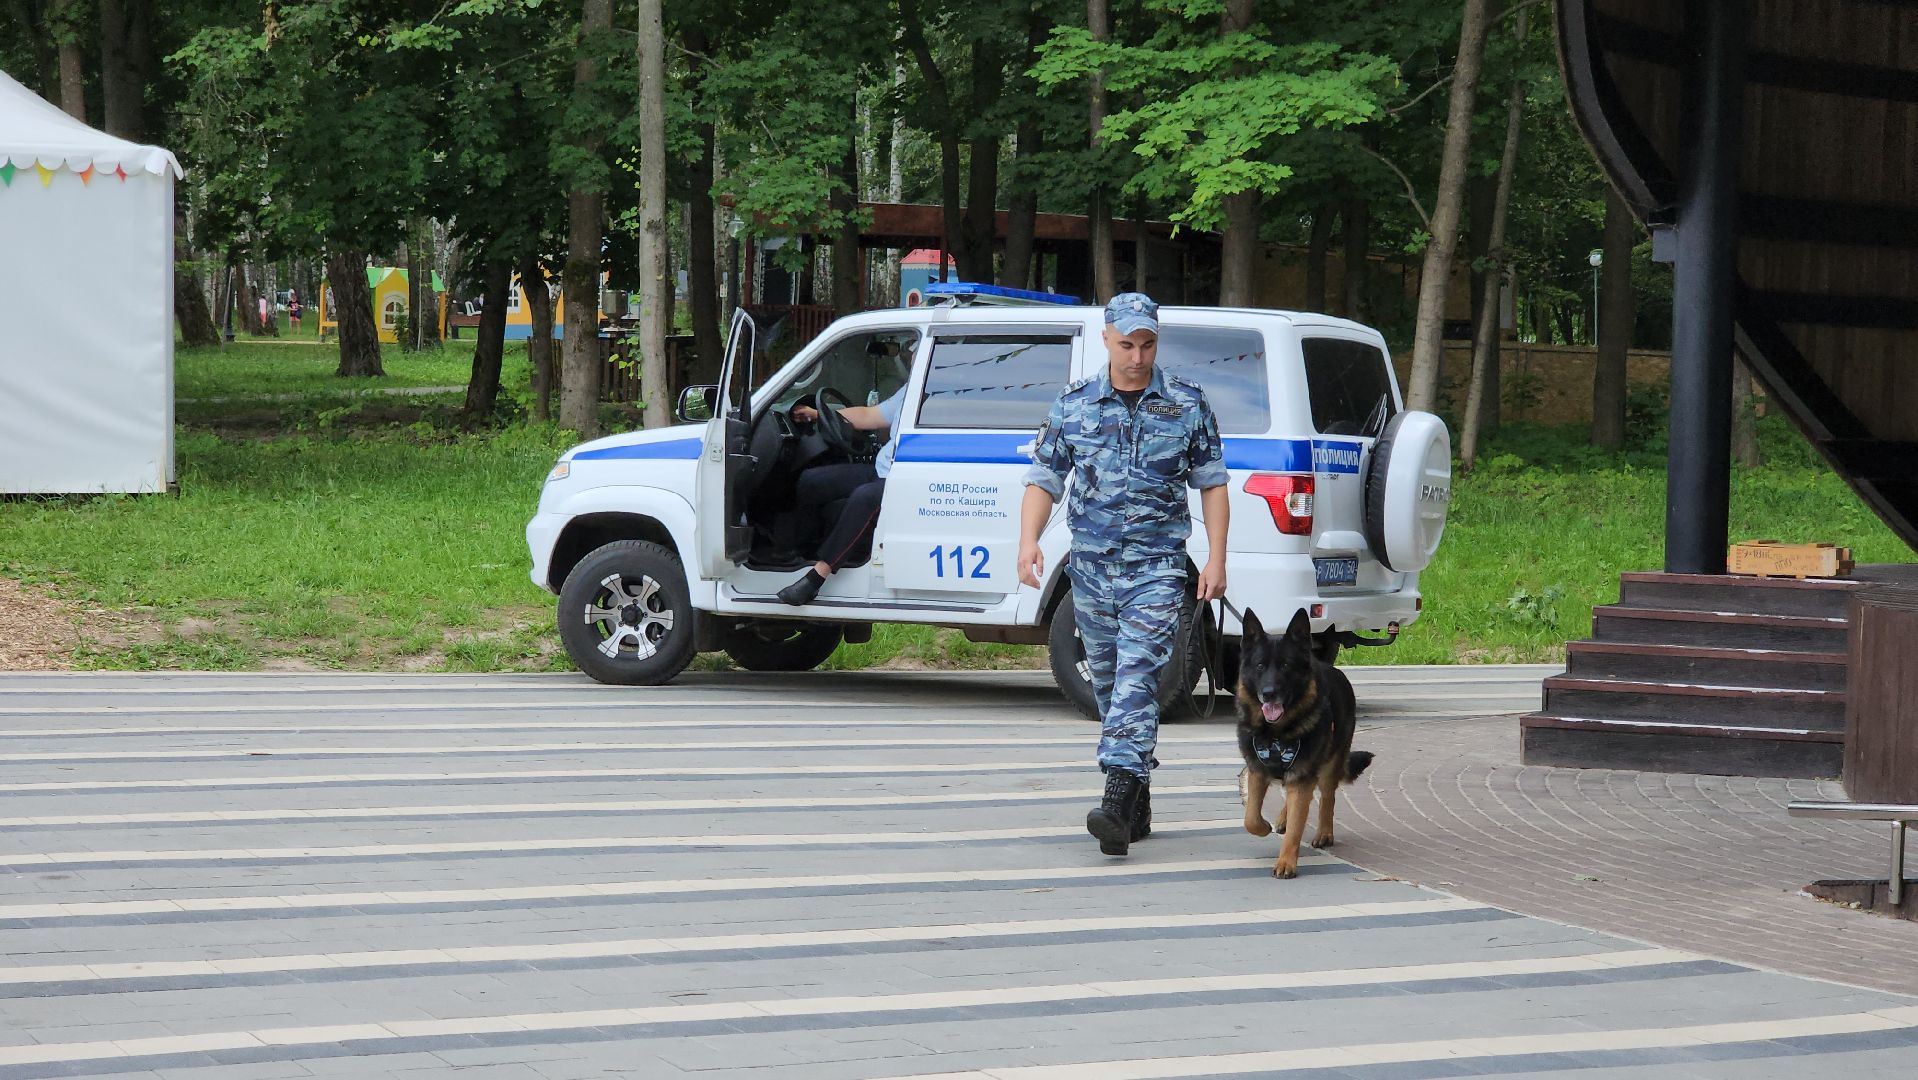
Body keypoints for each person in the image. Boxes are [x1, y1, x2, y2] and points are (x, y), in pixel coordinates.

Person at [1018, 292, 1230, 857]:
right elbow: (1044, 478)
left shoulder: (1187, 405)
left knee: (1138, 675)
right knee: (1110, 685)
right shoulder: (1075, 404)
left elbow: (1212, 483)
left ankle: (1114, 797)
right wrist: (1027, 542)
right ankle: (1138, 796)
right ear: (1107, 339)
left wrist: (1216, 558)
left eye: (1148, 344)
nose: (1138, 356)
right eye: (1128, 344)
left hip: (1158, 567)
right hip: (1091, 567)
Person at [776, 383, 909, 605]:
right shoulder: (913, 386)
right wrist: (818, 414)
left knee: (865, 497)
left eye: (913, 350)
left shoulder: (948, 393)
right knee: (812, 481)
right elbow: (869, 415)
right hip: (883, 469)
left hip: (906, 477)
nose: (910, 355)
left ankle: (816, 578)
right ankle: (802, 552)